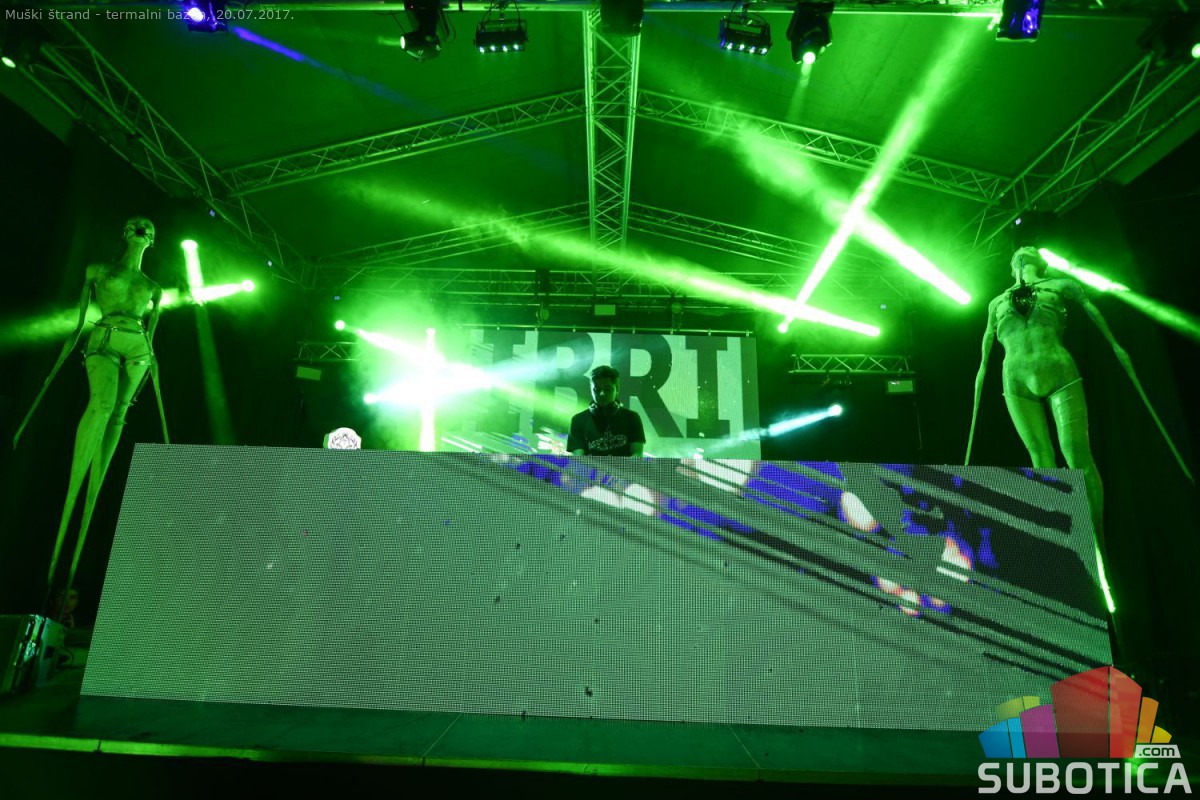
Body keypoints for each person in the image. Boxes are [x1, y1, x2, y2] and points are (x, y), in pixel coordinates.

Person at [966, 246, 1191, 556]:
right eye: (1019, 250)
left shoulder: (1061, 286)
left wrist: (1119, 350)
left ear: (1042, 261)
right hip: (1015, 378)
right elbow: (984, 357)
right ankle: (1063, 542)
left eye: (1030, 249)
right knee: (1040, 458)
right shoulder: (996, 303)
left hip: (1058, 369)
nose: (1023, 249)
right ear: (1011, 264)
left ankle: (1098, 544)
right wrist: (978, 388)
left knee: (1076, 454)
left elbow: (1099, 320)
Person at [14, 216, 168, 597]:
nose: (141, 231)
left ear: (153, 240)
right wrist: (54, 369)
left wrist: (153, 364)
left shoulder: (154, 288)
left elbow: (152, 337)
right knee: (101, 405)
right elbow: (80, 322)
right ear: (124, 231)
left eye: (148, 229)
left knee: (118, 416)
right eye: (136, 225)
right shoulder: (98, 271)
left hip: (138, 347)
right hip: (105, 336)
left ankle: (81, 534)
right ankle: (66, 522)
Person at [567, 365, 646, 457]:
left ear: (617, 389)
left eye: (607, 389)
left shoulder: (632, 418)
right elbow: (577, 459)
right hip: (590, 467)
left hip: (624, 467)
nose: (602, 394)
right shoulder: (578, 420)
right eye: (597, 389)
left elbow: (637, 455)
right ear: (591, 389)